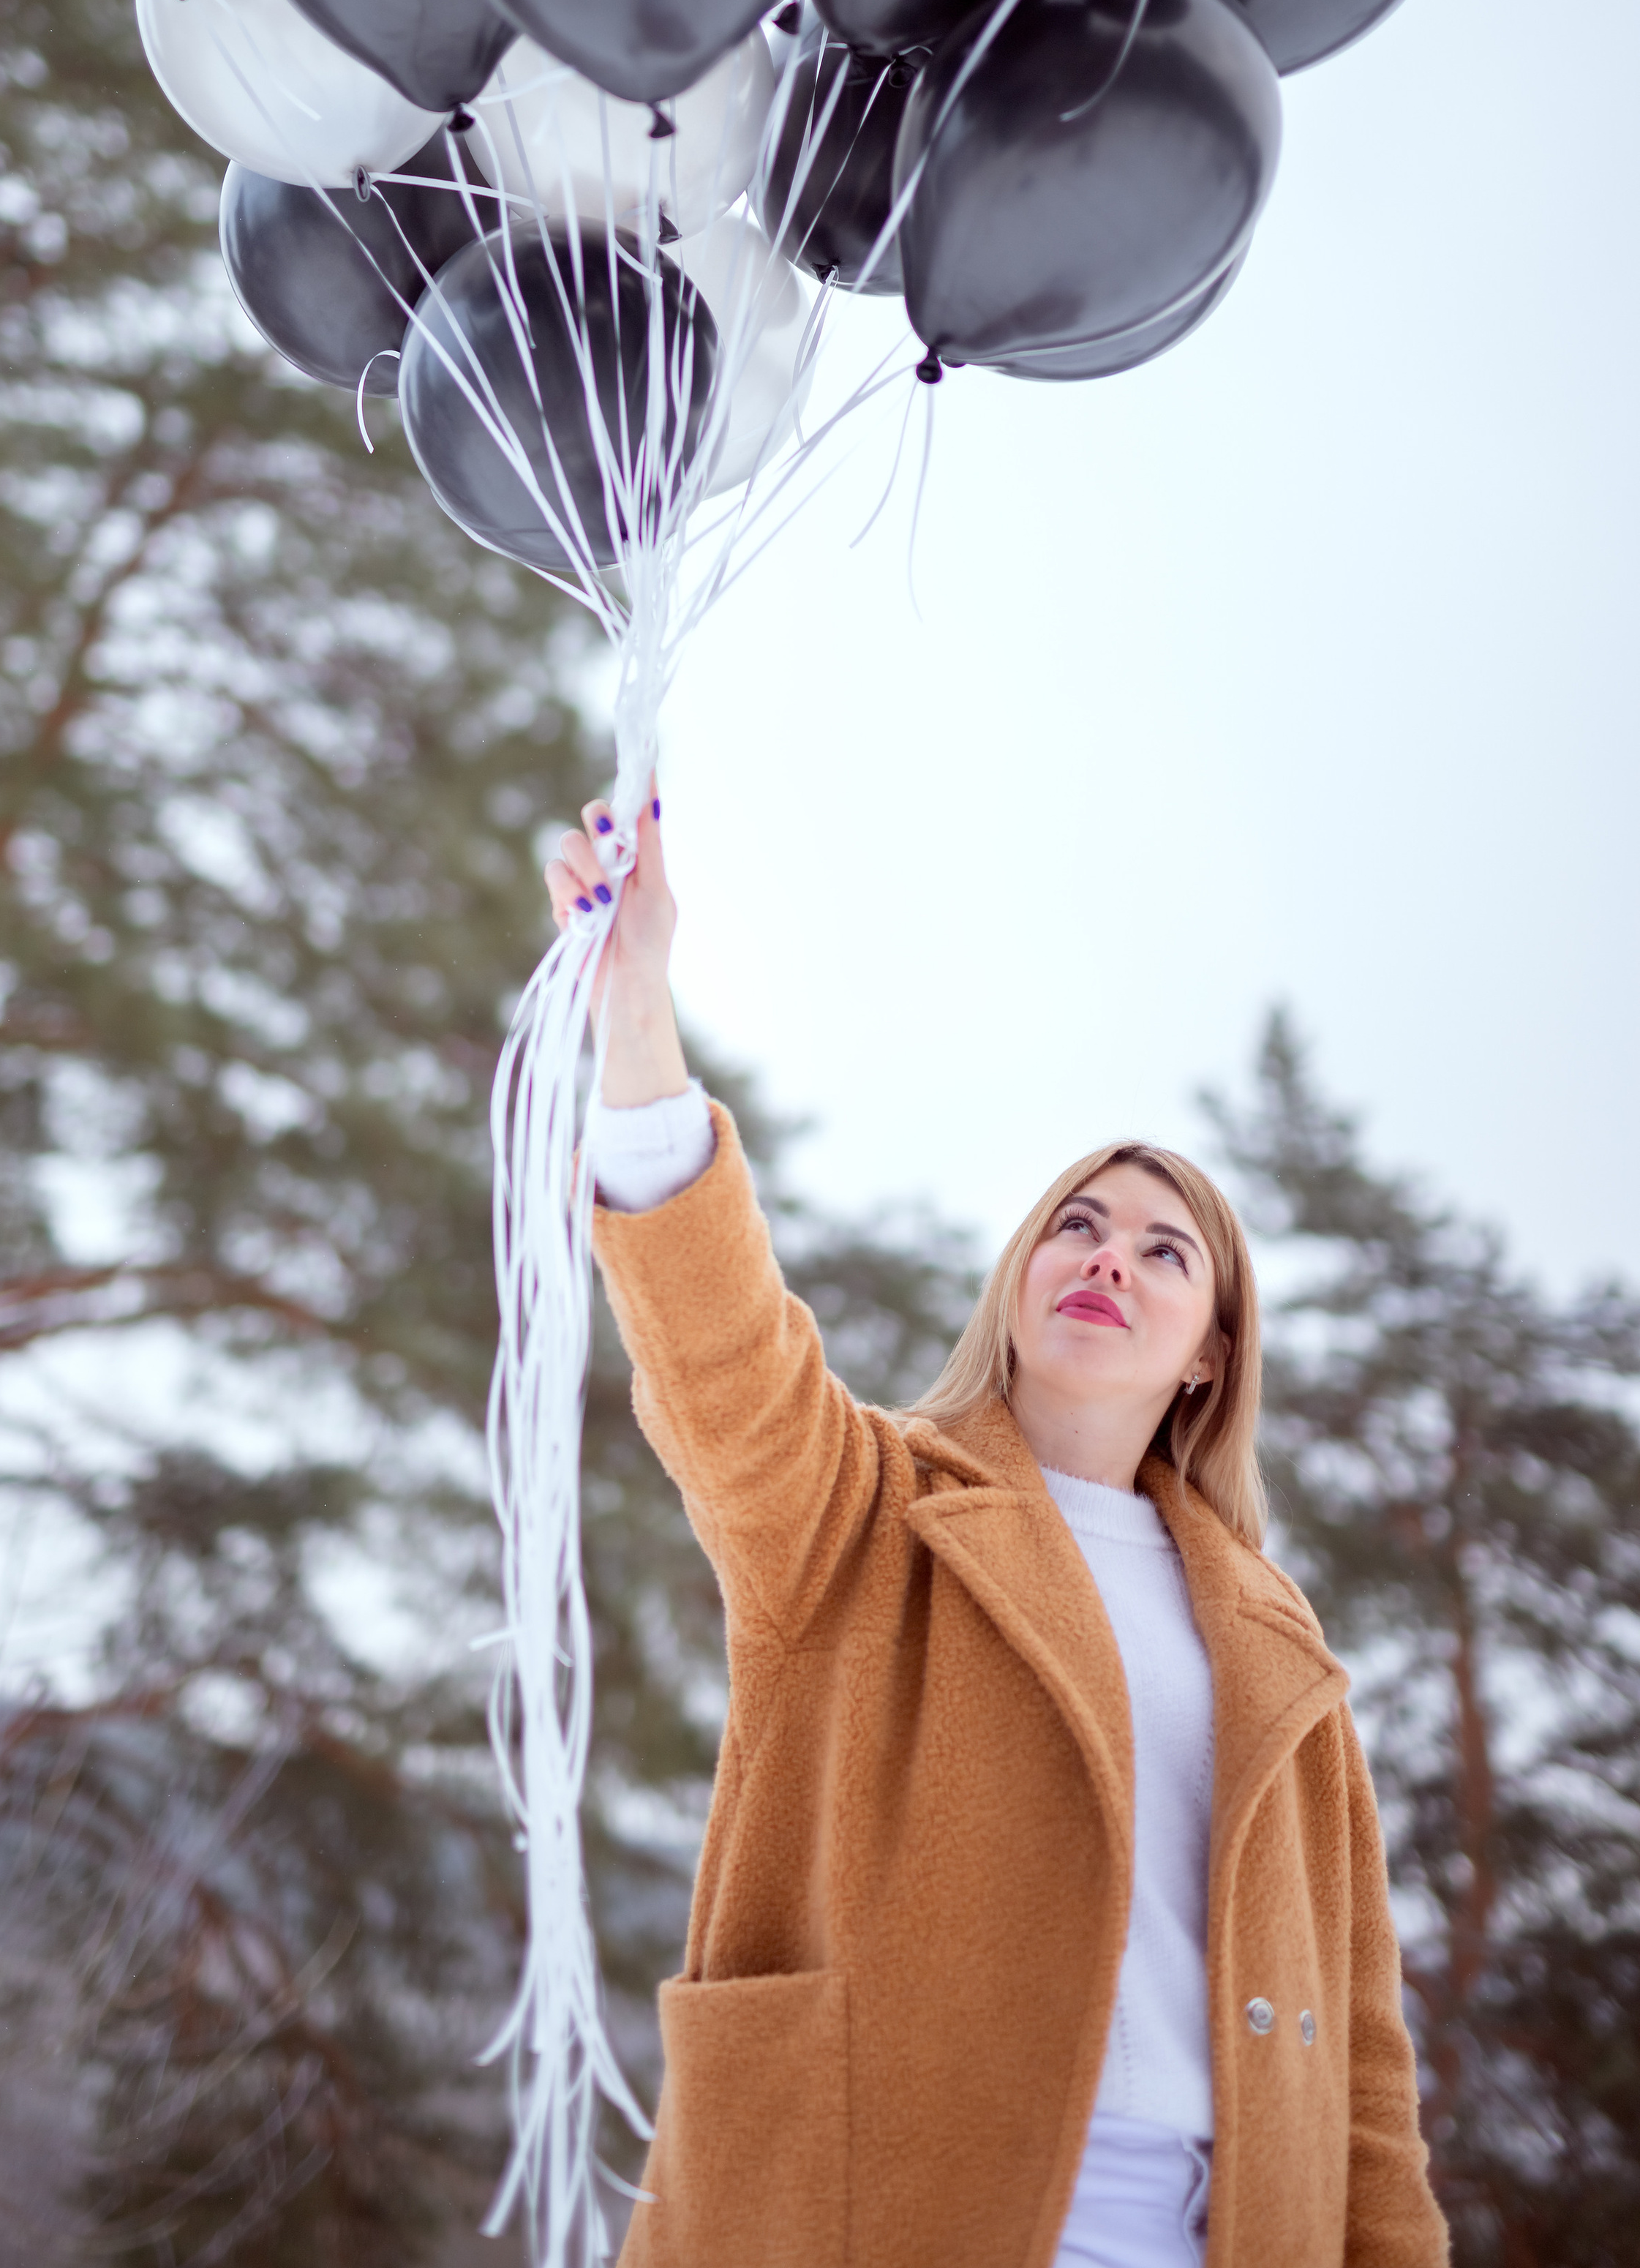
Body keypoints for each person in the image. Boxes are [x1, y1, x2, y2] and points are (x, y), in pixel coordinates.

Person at [545, 792, 1448, 2268]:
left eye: (1165, 1253)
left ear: (1206, 1355)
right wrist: (636, 1005)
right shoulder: (866, 1511)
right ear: (1021, 1278)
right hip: (877, 2202)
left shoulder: (1283, 1654)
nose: (1109, 1257)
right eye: (1076, 1225)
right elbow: (722, 1361)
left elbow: (1360, 2070)